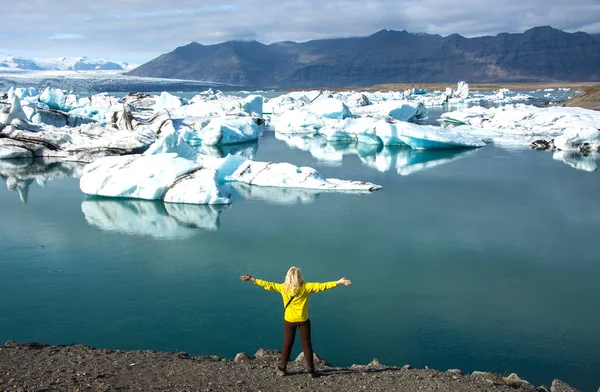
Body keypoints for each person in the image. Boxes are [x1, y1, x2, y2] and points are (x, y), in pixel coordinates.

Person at [240, 266, 351, 377]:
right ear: (299, 277)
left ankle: (282, 369)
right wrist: (338, 282)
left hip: (289, 320)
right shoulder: (306, 287)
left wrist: (252, 279)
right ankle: (311, 371)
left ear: (288, 277)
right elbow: (322, 286)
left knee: (287, 344)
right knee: (307, 345)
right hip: (303, 320)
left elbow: (268, 285)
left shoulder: (283, 288)